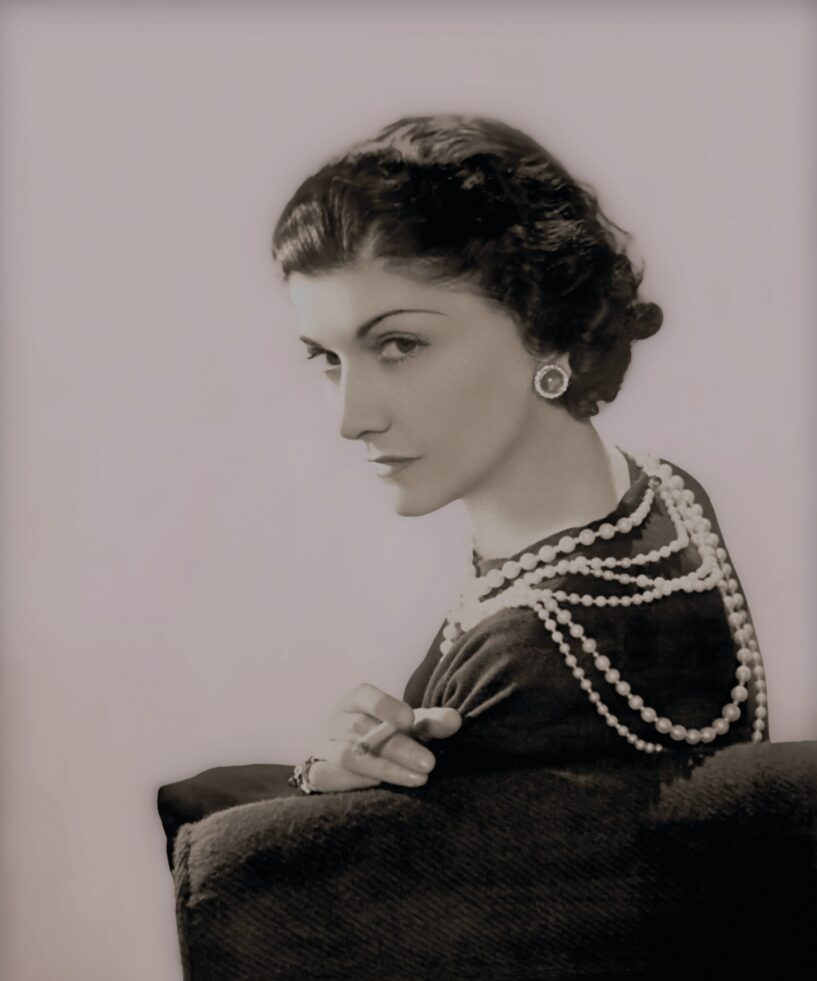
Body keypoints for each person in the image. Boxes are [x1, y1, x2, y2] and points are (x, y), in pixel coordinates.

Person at [157, 113, 769, 863]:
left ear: (546, 328)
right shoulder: (664, 494)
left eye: (399, 345)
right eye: (328, 358)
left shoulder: (532, 652)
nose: (352, 418)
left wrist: (318, 784)